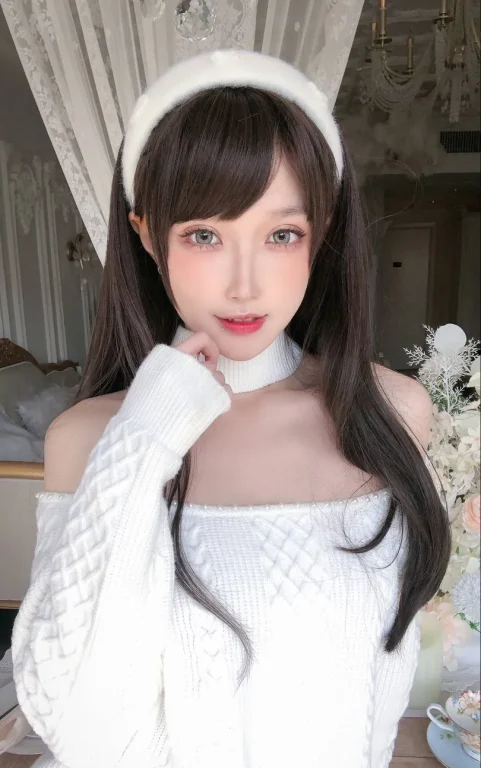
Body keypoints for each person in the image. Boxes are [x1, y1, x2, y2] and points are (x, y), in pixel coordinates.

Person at [12, 50, 450, 768]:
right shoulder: (91, 438)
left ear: (321, 232)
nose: (245, 285)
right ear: (147, 235)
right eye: (204, 235)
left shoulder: (391, 413)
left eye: (281, 234)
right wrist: (147, 435)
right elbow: (78, 726)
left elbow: (378, 688)